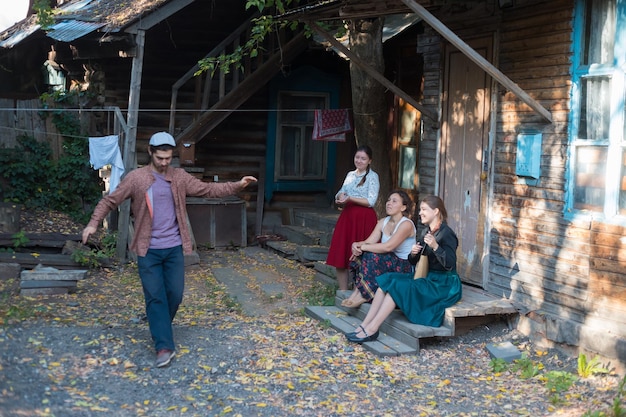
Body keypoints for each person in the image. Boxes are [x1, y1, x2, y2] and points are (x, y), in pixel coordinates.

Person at [82, 132, 257, 367]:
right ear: (151, 153)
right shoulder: (136, 179)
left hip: (174, 248)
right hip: (148, 250)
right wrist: (93, 223)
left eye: (168, 158)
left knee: (174, 295)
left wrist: (238, 185)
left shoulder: (179, 177)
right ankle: (164, 346)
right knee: (155, 297)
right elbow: (110, 201)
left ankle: (158, 322)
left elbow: (208, 190)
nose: (165, 162)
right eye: (160, 158)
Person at [345, 195, 462, 344]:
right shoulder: (425, 232)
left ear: (436, 211)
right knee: (385, 281)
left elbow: (450, 263)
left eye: (424, 209)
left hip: (444, 284)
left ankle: (372, 329)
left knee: (397, 287)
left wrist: (435, 247)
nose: (420, 213)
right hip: (428, 277)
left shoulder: (446, 233)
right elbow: (414, 261)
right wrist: (413, 254)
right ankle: (364, 325)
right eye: (420, 209)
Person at [341, 190, 416, 308]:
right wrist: (357, 245)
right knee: (362, 253)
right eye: (388, 200)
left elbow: (388, 247)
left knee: (372, 255)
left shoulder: (406, 224)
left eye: (394, 201)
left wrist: (365, 247)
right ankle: (357, 292)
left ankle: (364, 295)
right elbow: (369, 242)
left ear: (403, 207)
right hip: (389, 262)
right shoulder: (383, 222)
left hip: (404, 267)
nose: (389, 203)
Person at [325, 145, 380, 290]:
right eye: (357, 157)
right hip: (348, 217)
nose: (359, 161)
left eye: (363, 158)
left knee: (362, 256)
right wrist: (339, 197)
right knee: (341, 253)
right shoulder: (350, 175)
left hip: (364, 218)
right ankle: (343, 291)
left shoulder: (372, 177)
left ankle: (359, 292)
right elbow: (342, 191)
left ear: (369, 161)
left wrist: (351, 198)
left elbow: (371, 201)